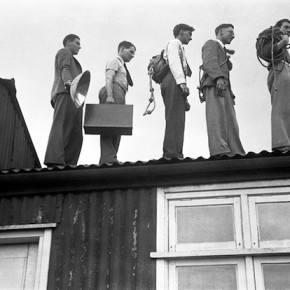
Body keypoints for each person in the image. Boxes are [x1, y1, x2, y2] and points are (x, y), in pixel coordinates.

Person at [200, 24, 245, 158]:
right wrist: (218, 78)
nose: (233, 35)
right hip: (215, 84)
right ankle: (219, 150)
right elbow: (209, 62)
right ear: (220, 32)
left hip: (224, 88)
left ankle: (235, 151)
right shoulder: (211, 43)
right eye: (230, 32)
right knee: (216, 118)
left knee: (230, 120)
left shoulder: (222, 49)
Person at [44, 34, 83, 167]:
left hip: (76, 98)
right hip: (65, 92)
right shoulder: (64, 52)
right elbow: (64, 68)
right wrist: (68, 83)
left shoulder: (76, 62)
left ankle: (69, 163)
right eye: (77, 43)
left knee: (76, 132)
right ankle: (55, 160)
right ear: (68, 43)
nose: (80, 46)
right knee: (62, 126)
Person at [99, 41, 136, 164]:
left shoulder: (122, 64)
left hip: (120, 92)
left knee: (117, 126)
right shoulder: (114, 61)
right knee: (109, 124)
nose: (133, 55)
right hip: (114, 90)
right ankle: (107, 158)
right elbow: (109, 77)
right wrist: (110, 95)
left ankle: (111, 157)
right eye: (130, 51)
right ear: (121, 49)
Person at [161, 23, 194, 159]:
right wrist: (182, 83)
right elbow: (174, 62)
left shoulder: (180, 47)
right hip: (173, 80)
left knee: (178, 118)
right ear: (181, 32)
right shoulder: (174, 43)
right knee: (173, 117)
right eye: (189, 34)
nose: (191, 38)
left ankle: (176, 151)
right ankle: (170, 152)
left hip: (175, 81)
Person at [260, 19, 290, 153]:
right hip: (279, 69)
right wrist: (282, 42)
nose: (289, 30)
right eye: (286, 27)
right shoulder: (271, 34)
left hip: (286, 69)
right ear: (278, 27)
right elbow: (265, 52)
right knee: (280, 106)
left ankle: (286, 141)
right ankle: (281, 143)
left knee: (288, 108)